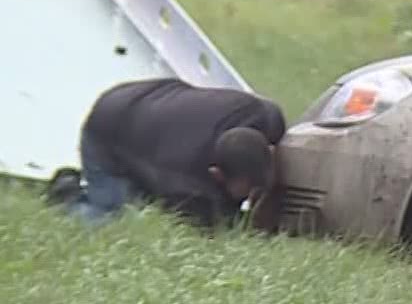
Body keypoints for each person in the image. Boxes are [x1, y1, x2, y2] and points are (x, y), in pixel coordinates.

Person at [49, 77, 287, 230]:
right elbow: (209, 230)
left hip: (155, 101)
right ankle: (65, 194)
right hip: (109, 128)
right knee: (111, 219)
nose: (253, 197)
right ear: (216, 174)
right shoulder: (184, 181)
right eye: (248, 191)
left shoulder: (269, 117)